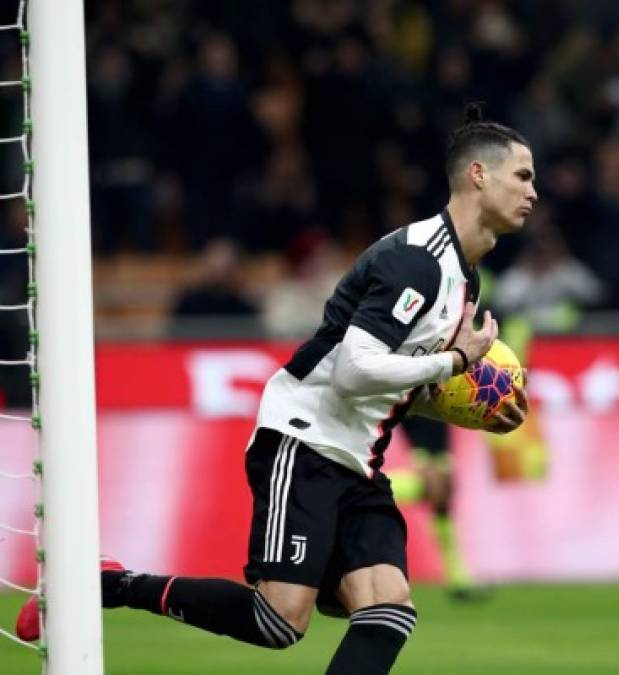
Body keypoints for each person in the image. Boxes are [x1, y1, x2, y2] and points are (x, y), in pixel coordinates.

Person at [16, 106, 537, 675]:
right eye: (523, 176)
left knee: (389, 611)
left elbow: (396, 374)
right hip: (305, 440)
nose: (532, 192)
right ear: (479, 175)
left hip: (359, 458)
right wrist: (455, 360)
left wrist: (465, 408)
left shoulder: (465, 278)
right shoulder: (418, 262)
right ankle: (112, 584)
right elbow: (353, 372)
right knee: (278, 622)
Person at [390, 416, 486, 600]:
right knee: (437, 488)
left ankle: (459, 580)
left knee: (443, 500)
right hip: (422, 435)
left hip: (439, 440)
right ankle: (360, 489)